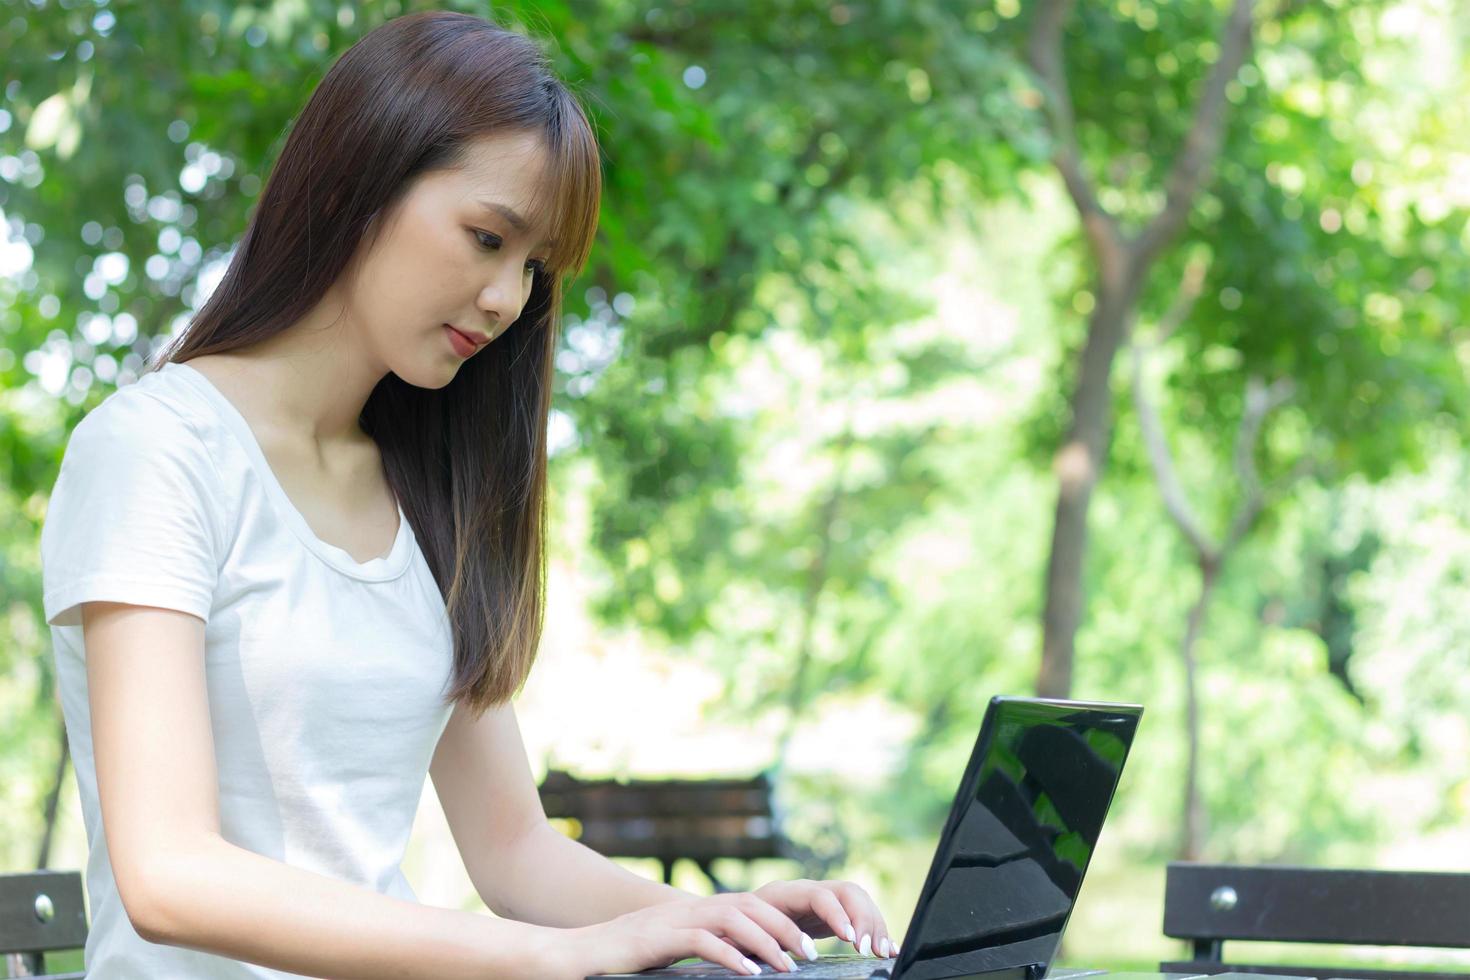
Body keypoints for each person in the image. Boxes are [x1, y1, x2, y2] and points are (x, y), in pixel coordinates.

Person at [39, 10, 898, 980]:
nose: (506, 299)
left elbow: (516, 853)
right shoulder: (157, 450)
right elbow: (171, 873)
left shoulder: (425, 494)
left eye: (532, 266)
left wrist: (730, 916)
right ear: (357, 179)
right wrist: (547, 957)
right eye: (487, 237)